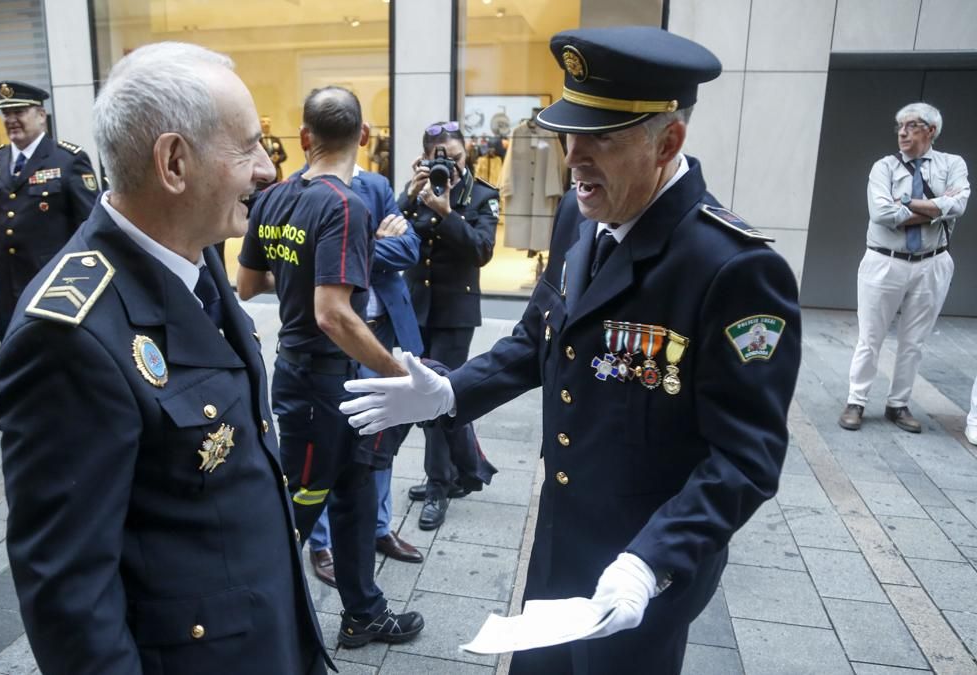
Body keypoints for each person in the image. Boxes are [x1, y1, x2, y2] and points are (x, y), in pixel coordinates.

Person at [342, 26, 801, 675]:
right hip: (560, 540)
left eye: (602, 138)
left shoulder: (731, 268)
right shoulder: (581, 217)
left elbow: (747, 457)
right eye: (569, 133)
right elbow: (538, 338)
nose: (574, 155)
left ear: (668, 140)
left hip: (645, 568)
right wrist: (450, 391)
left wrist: (653, 558)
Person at [0, 43, 328, 674]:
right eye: (249, 145)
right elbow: (70, 596)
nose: (266, 169)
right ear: (174, 162)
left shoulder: (193, 252)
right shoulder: (69, 336)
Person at [237, 85, 425, 648]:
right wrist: (399, 374)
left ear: (303, 139)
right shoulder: (346, 205)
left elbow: (248, 283)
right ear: (363, 137)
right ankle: (251, 630)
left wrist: (297, 274)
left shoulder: (272, 196)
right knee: (300, 504)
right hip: (320, 380)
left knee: (357, 489)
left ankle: (363, 611)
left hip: (313, 377)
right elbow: (334, 315)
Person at [294, 154, 426, 586]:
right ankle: (323, 544)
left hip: (383, 332)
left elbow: (409, 248)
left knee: (380, 442)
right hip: (333, 340)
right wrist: (369, 240)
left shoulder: (377, 186)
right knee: (331, 449)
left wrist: (347, 246)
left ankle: (379, 528)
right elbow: (310, 257)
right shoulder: (300, 190)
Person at [838, 102, 968, 433]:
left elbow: (959, 204)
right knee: (870, 335)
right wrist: (937, 208)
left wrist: (906, 204)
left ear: (932, 131)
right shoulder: (884, 167)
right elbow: (882, 214)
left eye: (912, 125)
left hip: (933, 262)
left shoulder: (952, 164)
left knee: (915, 340)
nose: (903, 132)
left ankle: (898, 404)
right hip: (884, 260)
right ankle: (857, 400)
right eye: (899, 126)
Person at [398, 120, 499, 530]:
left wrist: (448, 213)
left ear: (467, 152)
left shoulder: (482, 195)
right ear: (424, 159)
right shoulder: (416, 192)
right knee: (430, 396)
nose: (449, 166)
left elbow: (482, 250)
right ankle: (467, 471)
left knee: (437, 399)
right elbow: (393, 235)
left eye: (455, 157)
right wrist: (408, 198)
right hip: (417, 310)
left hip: (455, 314)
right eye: (439, 158)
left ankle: (439, 484)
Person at [0, 80, 98, 331]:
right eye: (6, 114)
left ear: (41, 115)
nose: (11, 120)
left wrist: (86, 280)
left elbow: (90, 225)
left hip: (54, 283)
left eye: (19, 112)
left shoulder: (68, 159)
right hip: (6, 285)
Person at [261, 115, 287, 181]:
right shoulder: (257, 140)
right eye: (263, 122)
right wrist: (268, 159)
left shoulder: (276, 139)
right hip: (261, 176)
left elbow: (284, 155)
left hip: (276, 174)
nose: (266, 124)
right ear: (259, 124)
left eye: (268, 122)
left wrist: (278, 158)